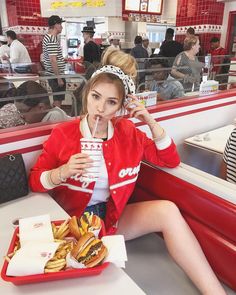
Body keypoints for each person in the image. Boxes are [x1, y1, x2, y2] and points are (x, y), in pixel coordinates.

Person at [29, 62, 226, 294]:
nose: (100, 108)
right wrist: (61, 173)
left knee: (168, 210)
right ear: (86, 95)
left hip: (111, 218)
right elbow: (35, 181)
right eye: (95, 97)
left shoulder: (128, 133)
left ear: (121, 107)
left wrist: (150, 122)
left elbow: (170, 160)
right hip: (72, 224)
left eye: (111, 102)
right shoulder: (64, 134)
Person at [42, 15, 66, 108]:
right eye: (60, 24)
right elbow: (53, 60)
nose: (62, 26)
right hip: (55, 75)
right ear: (55, 25)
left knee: (57, 99)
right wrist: (59, 77)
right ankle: (57, 120)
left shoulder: (49, 37)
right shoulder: (51, 39)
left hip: (53, 74)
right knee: (58, 101)